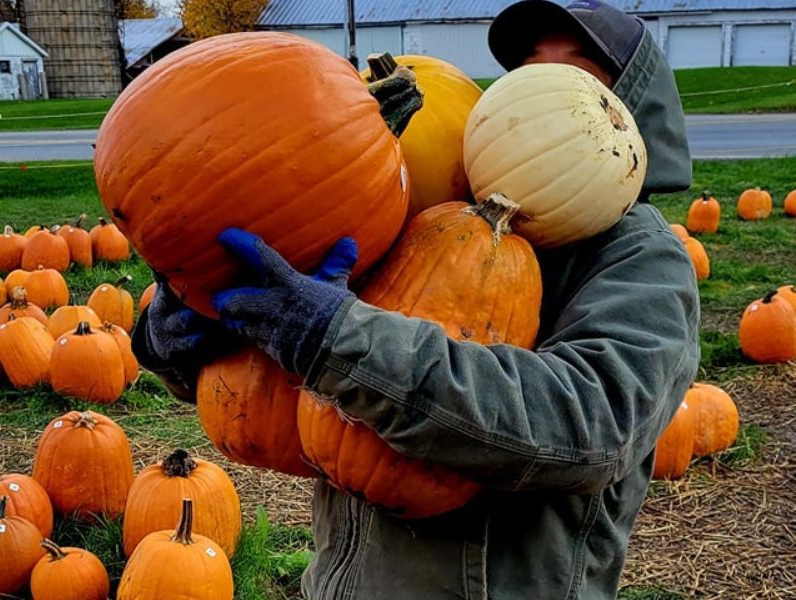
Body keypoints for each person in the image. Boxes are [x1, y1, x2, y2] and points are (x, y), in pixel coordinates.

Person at [132, 1, 700, 597]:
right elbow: (276, 378)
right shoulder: (425, 203)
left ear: (623, 111)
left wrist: (342, 340)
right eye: (529, 65)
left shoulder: (642, 260)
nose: (541, 85)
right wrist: (187, 337)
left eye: (582, 71)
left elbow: (591, 424)